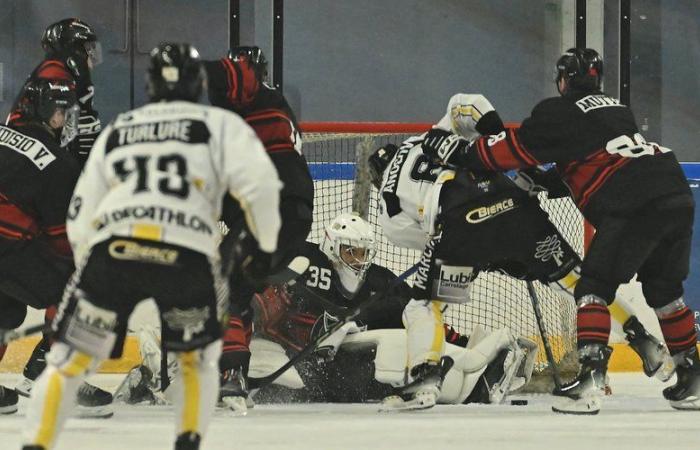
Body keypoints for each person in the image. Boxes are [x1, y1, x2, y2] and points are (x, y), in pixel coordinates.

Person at [20, 42, 282, 450]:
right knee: (197, 362)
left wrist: (90, 270)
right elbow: (263, 188)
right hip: (184, 259)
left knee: (68, 362)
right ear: (197, 82)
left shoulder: (120, 129)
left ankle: (36, 443)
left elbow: (80, 213)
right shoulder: (220, 125)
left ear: (151, 84)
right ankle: (188, 441)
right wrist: (263, 247)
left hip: (115, 254)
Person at [419, 49, 698, 414]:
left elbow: (505, 152)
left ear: (563, 80)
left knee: (593, 288)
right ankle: (693, 379)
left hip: (636, 201)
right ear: (596, 79)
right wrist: (546, 181)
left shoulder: (559, 111)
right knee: (665, 292)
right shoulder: (616, 108)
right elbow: (588, 159)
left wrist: (458, 152)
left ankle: (590, 383)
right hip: (675, 193)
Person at [369, 92, 674, 411]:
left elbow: (439, 241)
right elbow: (469, 103)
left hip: (460, 221)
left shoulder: (387, 204)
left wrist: (494, 260)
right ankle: (643, 339)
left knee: (423, 305)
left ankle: (427, 380)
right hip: (516, 205)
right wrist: (495, 133)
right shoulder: (428, 138)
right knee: (581, 283)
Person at [250, 213, 533, 405]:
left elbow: (415, 312)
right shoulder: (308, 262)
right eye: (351, 251)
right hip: (312, 361)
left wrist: (452, 339)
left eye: (363, 253)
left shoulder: (379, 279)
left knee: (400, 315)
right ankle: (473, 384)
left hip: (351, 355)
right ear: (332, 246)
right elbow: (266, 299)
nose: (358, 260)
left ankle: (468, 358)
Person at [5, 18, 111, 416]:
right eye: (85, 50)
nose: (89, 59)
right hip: (27, 211)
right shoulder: (56, 77)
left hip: (18, 212)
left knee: (5, 305)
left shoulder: (59, 81)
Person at [203, 46, 314, 413]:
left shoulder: (250, 98)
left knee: (226, 287)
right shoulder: (273, 108)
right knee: (238, 287)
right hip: (294, 217)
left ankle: (230, 374)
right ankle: (229, 367)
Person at [0, 79, 81, 416]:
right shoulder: (58, 163)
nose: (67, 120)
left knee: (5, 305)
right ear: (50, 113)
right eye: (63, 112)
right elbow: (62, 241)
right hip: (7, 250)